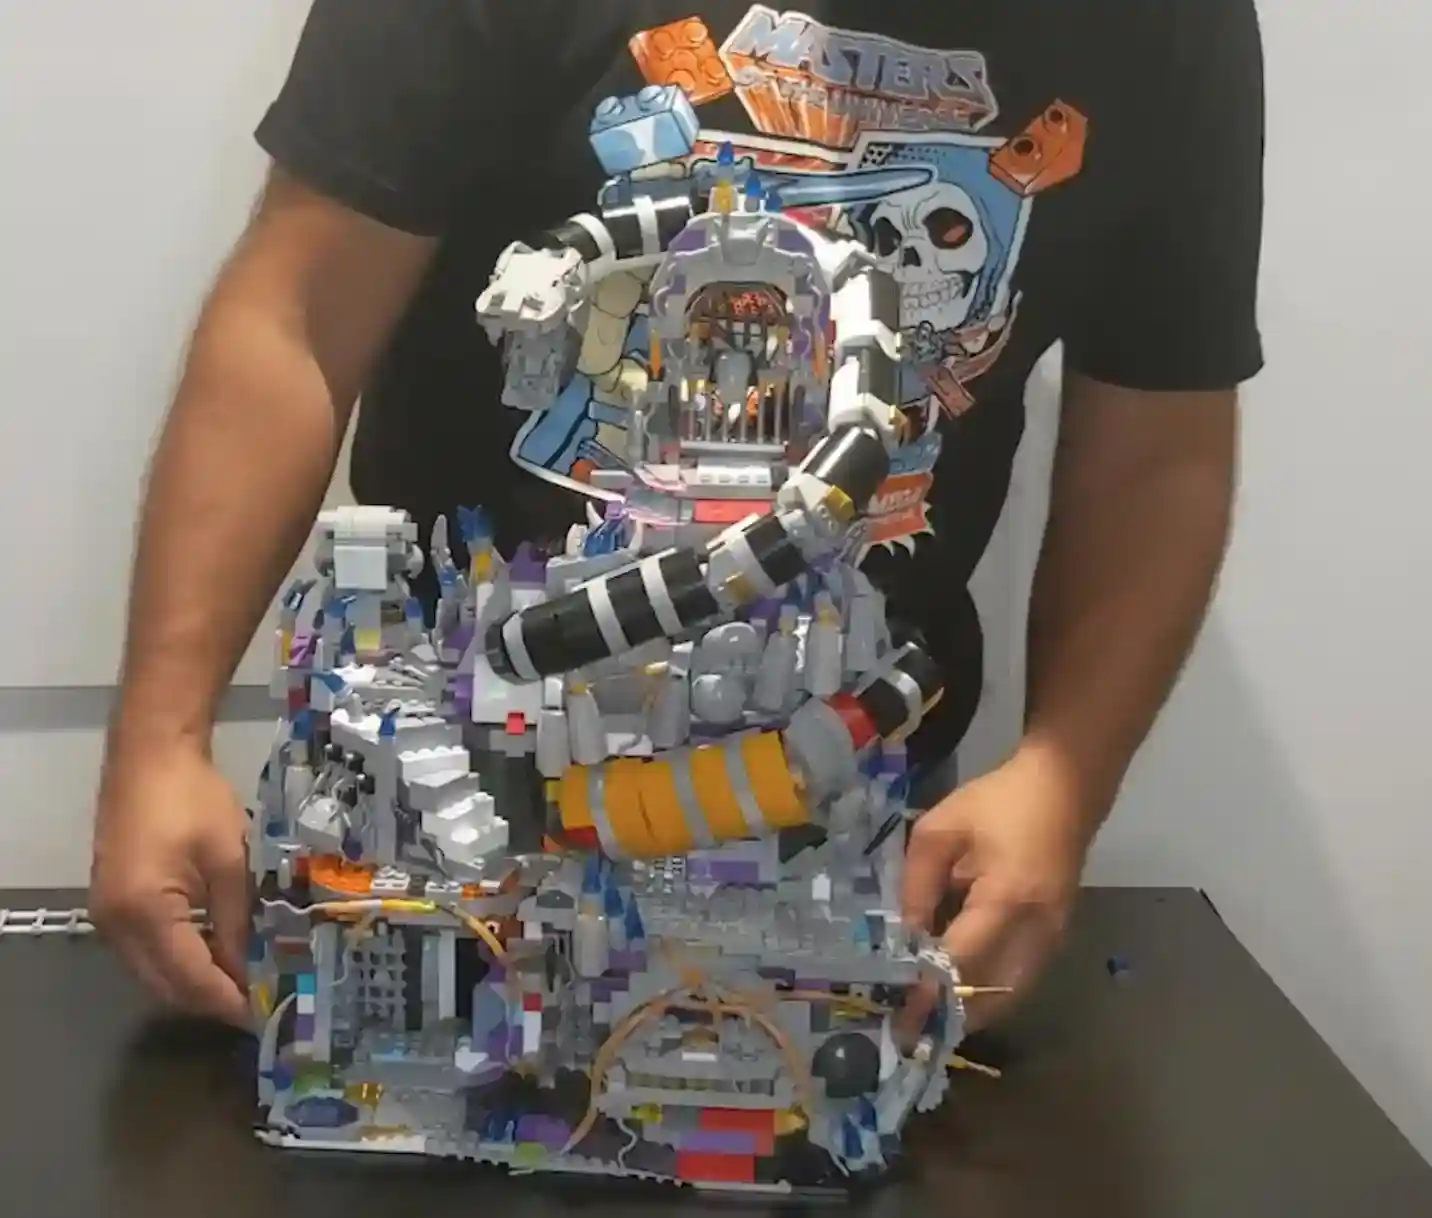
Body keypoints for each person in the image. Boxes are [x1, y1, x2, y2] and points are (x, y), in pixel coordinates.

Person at [90, 0, 1265, 1032]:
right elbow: (297, 321)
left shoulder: (1162, 23)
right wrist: (159, 739)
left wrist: (1061, 778)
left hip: (845, 794)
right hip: (458, 761)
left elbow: (1156, 442)